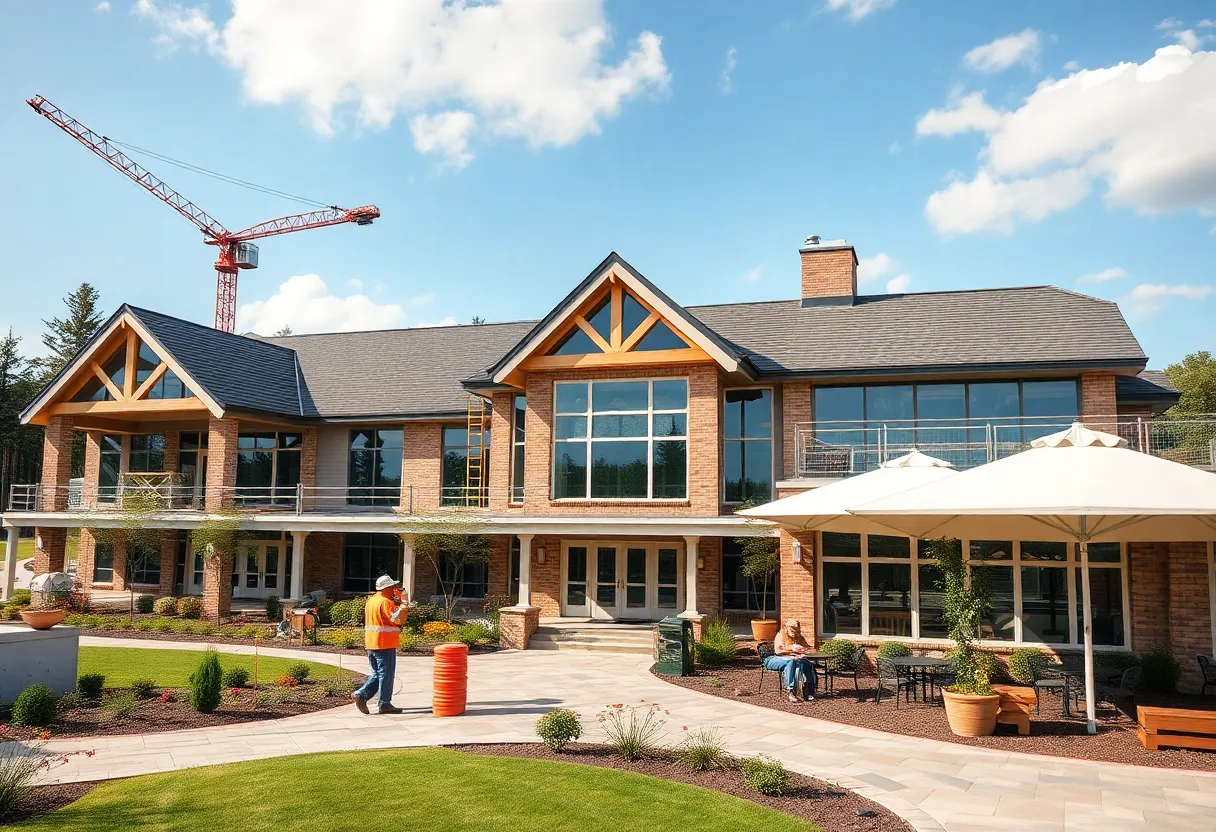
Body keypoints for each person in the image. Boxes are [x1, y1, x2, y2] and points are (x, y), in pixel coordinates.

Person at [351, 575, 408, 715]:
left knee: (377, 673)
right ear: (387, 588)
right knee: (386, 674)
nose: (395, 589)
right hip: (384, 643)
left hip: (372, 642)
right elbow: (398, 620)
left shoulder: (372, 600)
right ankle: (381, 702)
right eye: (393, 587)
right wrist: (404, 603)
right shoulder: (386, 602)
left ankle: (363, 695)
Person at [763, 618, 818, 702]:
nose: (794, 631)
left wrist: (804, 649)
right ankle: (790, 690)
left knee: (807, 664)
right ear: (787, 627)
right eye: (792, 629)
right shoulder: (781, 635)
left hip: (794, 658)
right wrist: (792, 650)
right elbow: (778, 651)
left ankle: (810, 690)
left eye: (796, 629)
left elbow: (810, 648)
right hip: (774, 658)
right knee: (791, 662)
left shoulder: (799, 636)